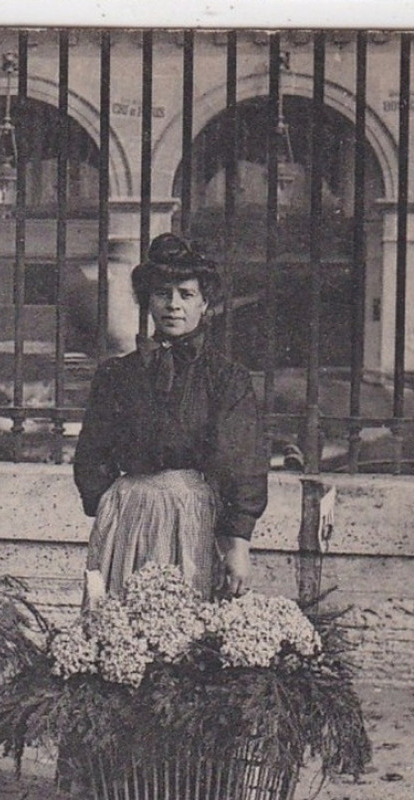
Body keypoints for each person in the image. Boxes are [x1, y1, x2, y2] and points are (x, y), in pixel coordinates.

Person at [70, 232, 267, 600]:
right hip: (127, 516)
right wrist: (113, 505)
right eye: (163, 294)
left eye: (186, 295)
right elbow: (92, 453)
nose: (173, 305)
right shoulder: (117, 374)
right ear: (148, 302)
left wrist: (237, 543)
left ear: (204, 303)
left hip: (193, 517)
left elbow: (242, 461)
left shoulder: (226, 378)